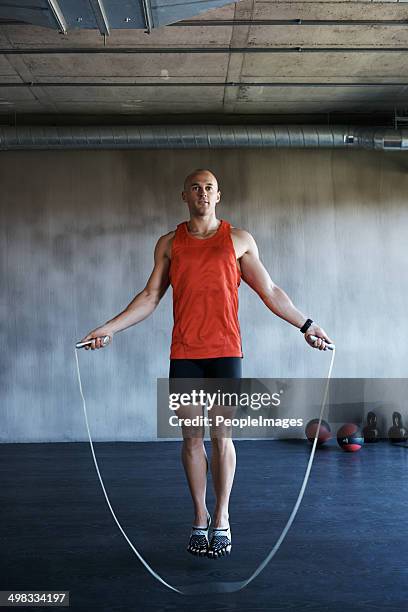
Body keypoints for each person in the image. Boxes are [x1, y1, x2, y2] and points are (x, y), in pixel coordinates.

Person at [79, 168, 333, 559]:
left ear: (219, 196)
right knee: (191, 438)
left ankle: (222, 518)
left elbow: (270, 290)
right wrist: (109, 328)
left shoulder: (238, 240)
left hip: (226, 353)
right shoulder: (169, 243)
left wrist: (307, 325)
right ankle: (199, 518)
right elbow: (150, 296)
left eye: (209, 188)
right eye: (195, 188)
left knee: (222, 437)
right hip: (184, 354)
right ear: (184, 196)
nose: (202, 193)